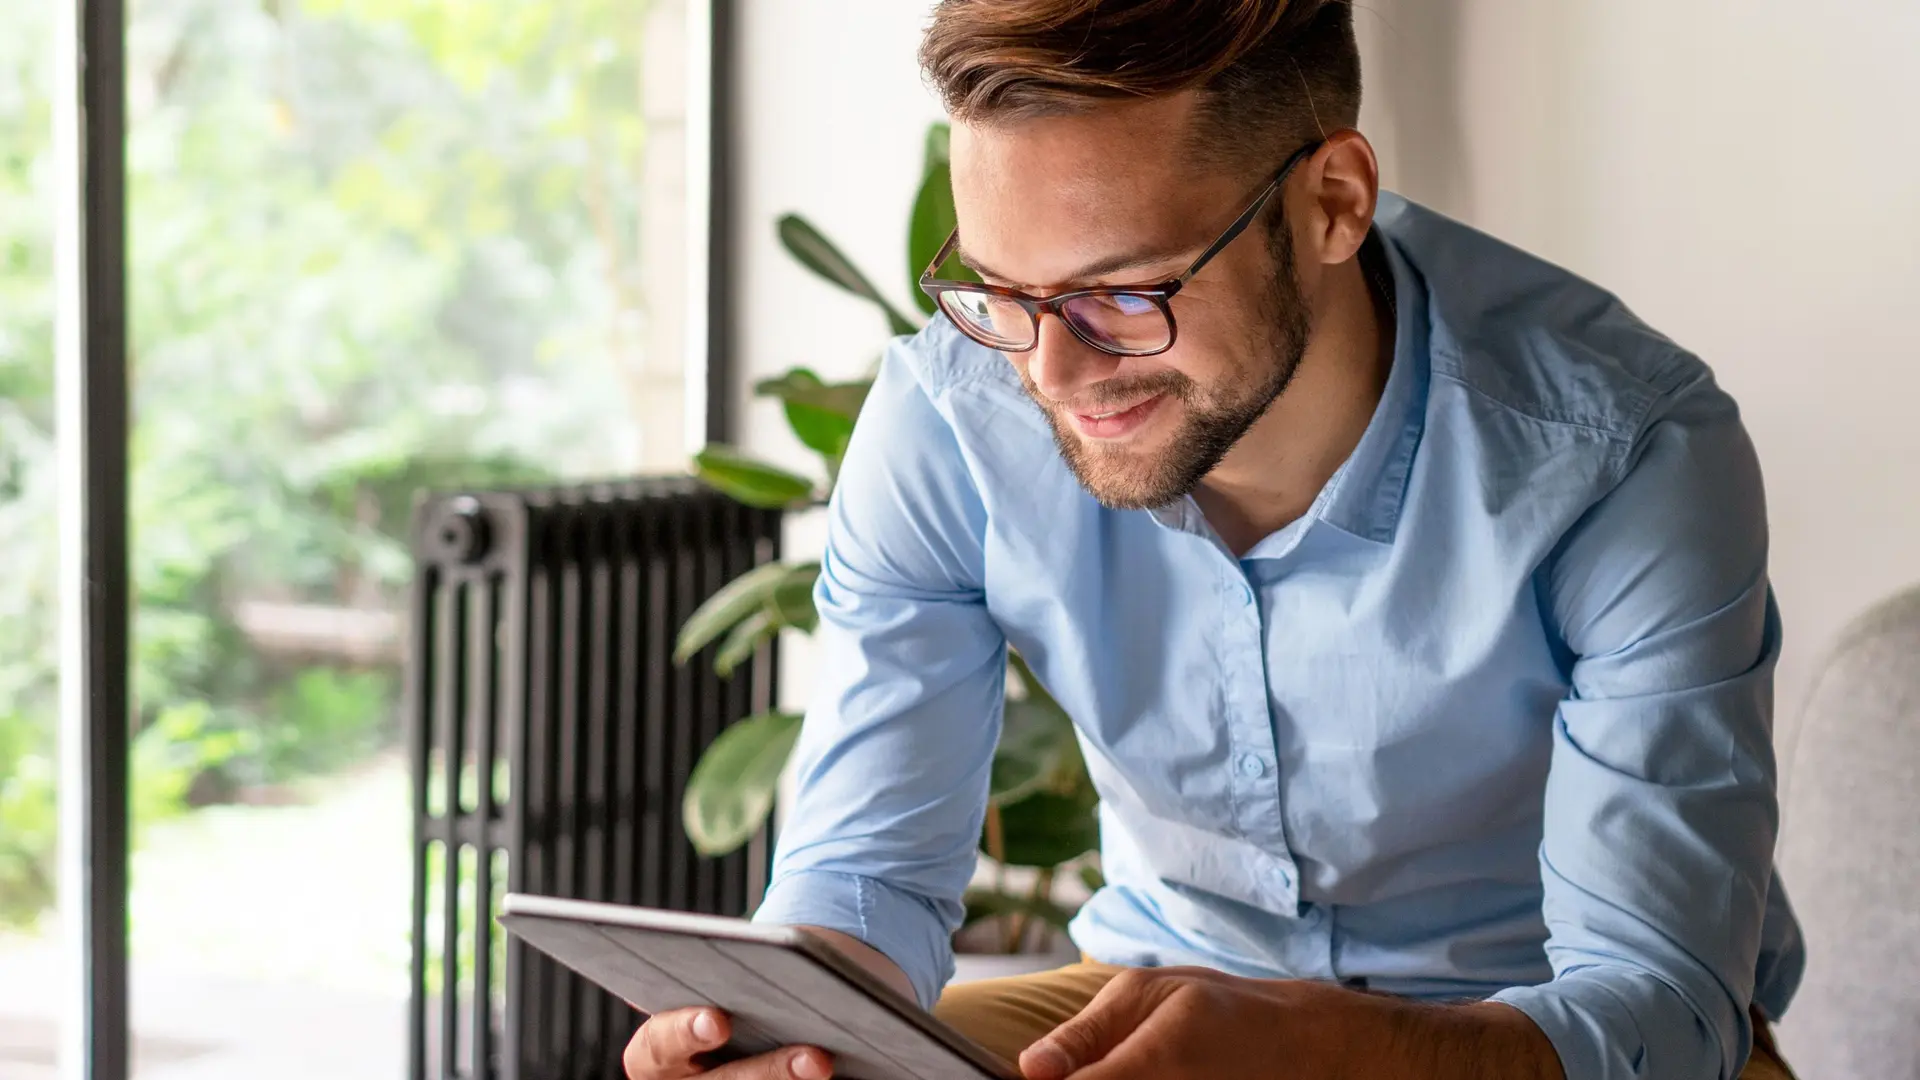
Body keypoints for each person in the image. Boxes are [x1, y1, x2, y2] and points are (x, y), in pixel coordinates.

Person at [625, 1, 1806, 1077]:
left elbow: (1663, 1010)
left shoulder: (1621, 454)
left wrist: (1338, 1053)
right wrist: (780, 1041)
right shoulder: (951, 415)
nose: (1051, 373)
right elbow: (865, 884)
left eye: (1124, 293)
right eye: (1000, 292)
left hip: (1534, 1036)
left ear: (1333, 202)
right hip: (1146, 994)